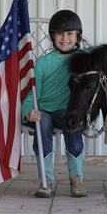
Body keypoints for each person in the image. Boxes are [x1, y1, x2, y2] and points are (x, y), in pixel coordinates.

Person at [21, 10, 89, 198]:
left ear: (78, 36)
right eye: (60, 34)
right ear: (52, 36)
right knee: (42, 122)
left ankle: (76, 177)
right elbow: (30, 95)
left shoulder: (85, 58)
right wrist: (28, 111)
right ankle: (46, 179)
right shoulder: (43, 63)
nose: (65, 38)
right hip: (43, 110)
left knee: (72, 122)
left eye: (70, 34)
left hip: (67, 112)